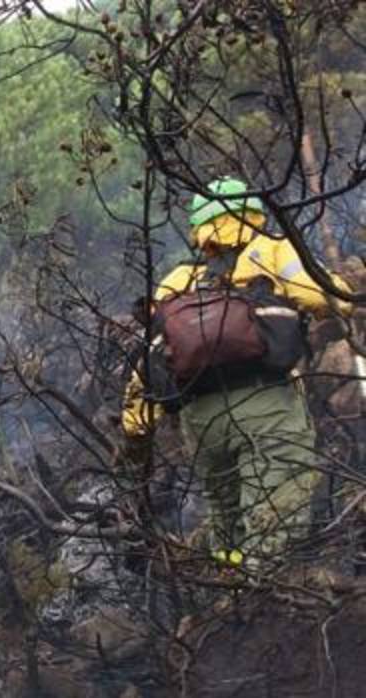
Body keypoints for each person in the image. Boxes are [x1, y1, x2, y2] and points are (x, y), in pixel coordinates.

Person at [122, 177, 354, 569]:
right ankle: (269, 602)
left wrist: (135, 434)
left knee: (226, 522)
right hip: (266, 407)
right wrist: (340, 297)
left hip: (202, 423)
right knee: (274, 521)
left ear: (199, 228)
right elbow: (322, 297)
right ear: (254, 212)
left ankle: (232, 595)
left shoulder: (178, 281)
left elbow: (149, 366)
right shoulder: (272, 249)